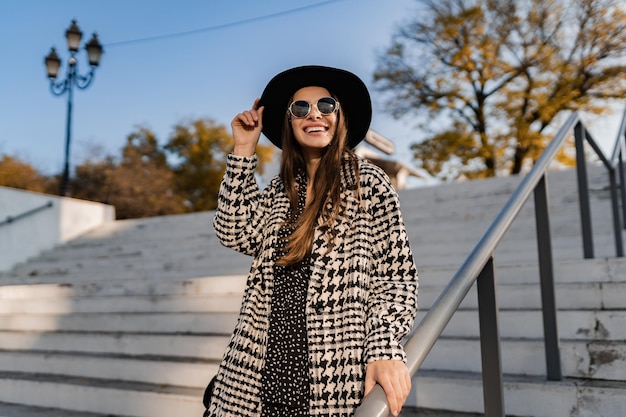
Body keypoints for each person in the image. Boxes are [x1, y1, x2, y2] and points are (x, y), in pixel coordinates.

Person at [204, 65, 418, 417]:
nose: (314, 113)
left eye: (326, 104)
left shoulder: (370, 184)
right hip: (254, 380)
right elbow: (233, 230)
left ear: (340, 116)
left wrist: (383, 345)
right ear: (289, 122)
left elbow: (396, 279)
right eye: (300, 108)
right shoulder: (279, 191)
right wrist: (243, 149)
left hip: (331, 383)